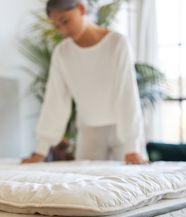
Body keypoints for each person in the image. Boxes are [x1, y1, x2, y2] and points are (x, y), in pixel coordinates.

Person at [22, 0, 146, 165]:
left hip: (122, 133)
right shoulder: (62, 53)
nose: (63, 30)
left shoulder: (117, 43)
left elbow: (127, 94)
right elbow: (56, 100)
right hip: (89, 134)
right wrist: (41, 150)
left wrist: (132, 146)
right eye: (57, 26)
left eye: (65, 21)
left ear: (81, 9)